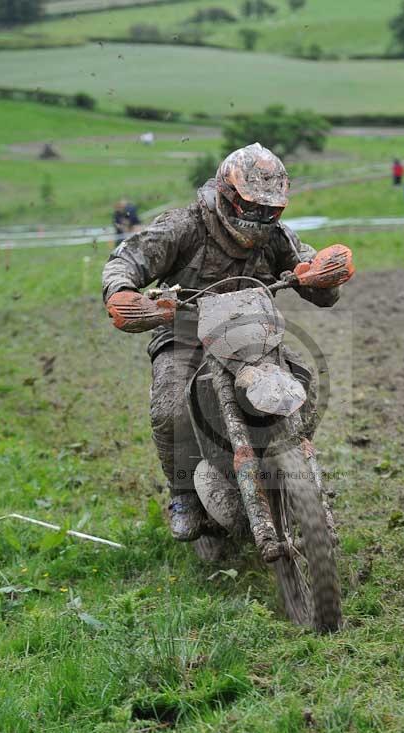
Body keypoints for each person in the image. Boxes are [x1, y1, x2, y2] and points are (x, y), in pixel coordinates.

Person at [102, 143, 350, 541]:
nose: (261, 218)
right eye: (253, 208)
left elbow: (306, 263)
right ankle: (183, 492)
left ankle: (292, 468)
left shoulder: (274, 236)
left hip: (252, 335)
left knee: (303, 379)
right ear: (228, 196)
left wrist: (319, 273)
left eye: (271, 211)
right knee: (170, 409)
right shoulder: (181, 226)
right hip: (184, 335)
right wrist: (122, 291)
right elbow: (125, 260)